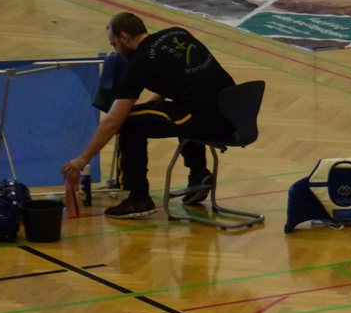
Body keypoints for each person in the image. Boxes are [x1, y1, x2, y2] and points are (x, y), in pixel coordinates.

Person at [62, 12, 235, 219]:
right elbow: (183, 78)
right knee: (174, 108)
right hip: (233, 111)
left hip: (209, 121)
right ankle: (198, 174)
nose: (116, 52)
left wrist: (83, 159)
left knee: (128, 123)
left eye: (115, 44)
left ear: (125, 37)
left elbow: (113, 121)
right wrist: (155, 102)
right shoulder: (176, 33)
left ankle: (138, 199)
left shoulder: (140, 63)